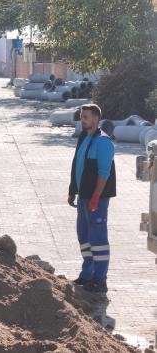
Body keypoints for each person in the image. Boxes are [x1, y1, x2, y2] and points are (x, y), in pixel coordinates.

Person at [68, 104, 116, 293]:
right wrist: (73, 190)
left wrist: (96, 196)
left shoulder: (103, 142)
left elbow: (104, 173)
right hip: (83, 197)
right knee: (84, 237)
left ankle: (100, 279)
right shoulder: (84, 137)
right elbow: (77, 165)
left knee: (98, 239)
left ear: (96, 119)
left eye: (86, 117)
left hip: (96, 199)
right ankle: (87, 275)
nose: (82, 119)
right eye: (81, 116)